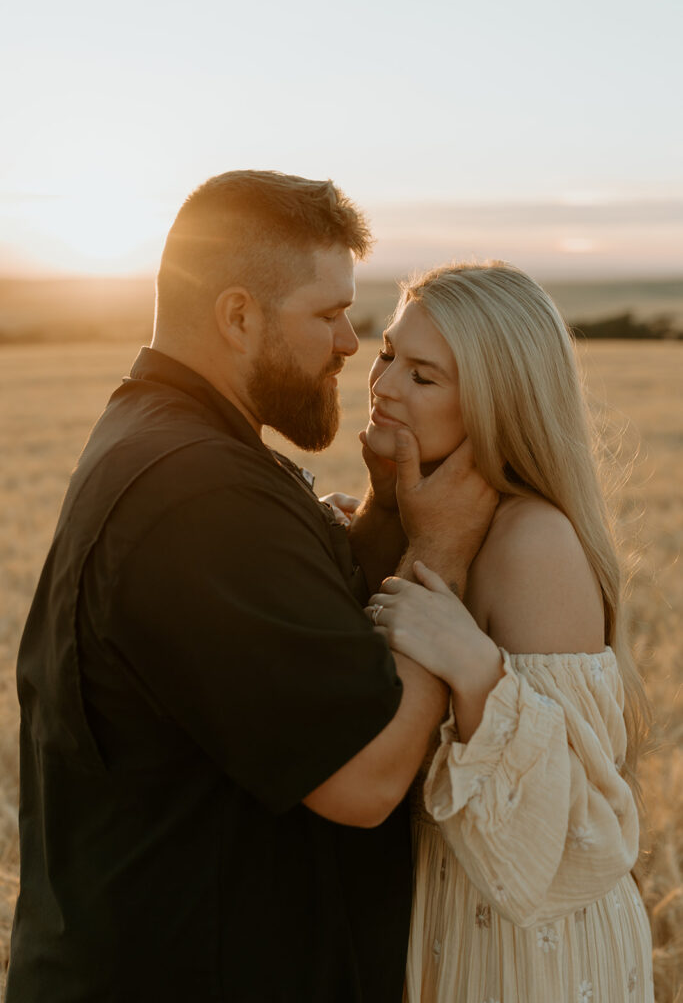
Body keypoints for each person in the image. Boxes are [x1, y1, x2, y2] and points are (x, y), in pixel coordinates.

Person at [5, 172, 498, 1003]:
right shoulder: (199, 493)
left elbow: (311, 636)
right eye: (326, 313)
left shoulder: (169, 438)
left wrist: (385, 506)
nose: (351, 342)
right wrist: (441, 550)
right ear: (238, 316)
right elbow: (363, 780)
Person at [360, 261, 654, 1002]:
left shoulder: (531, 543)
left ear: (498, 403)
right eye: (388, 353)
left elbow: (577, 828)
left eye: (423, 377)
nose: (383, 385)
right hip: (454, 908)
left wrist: (475, 671)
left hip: (531, 948)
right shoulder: (444, 523)